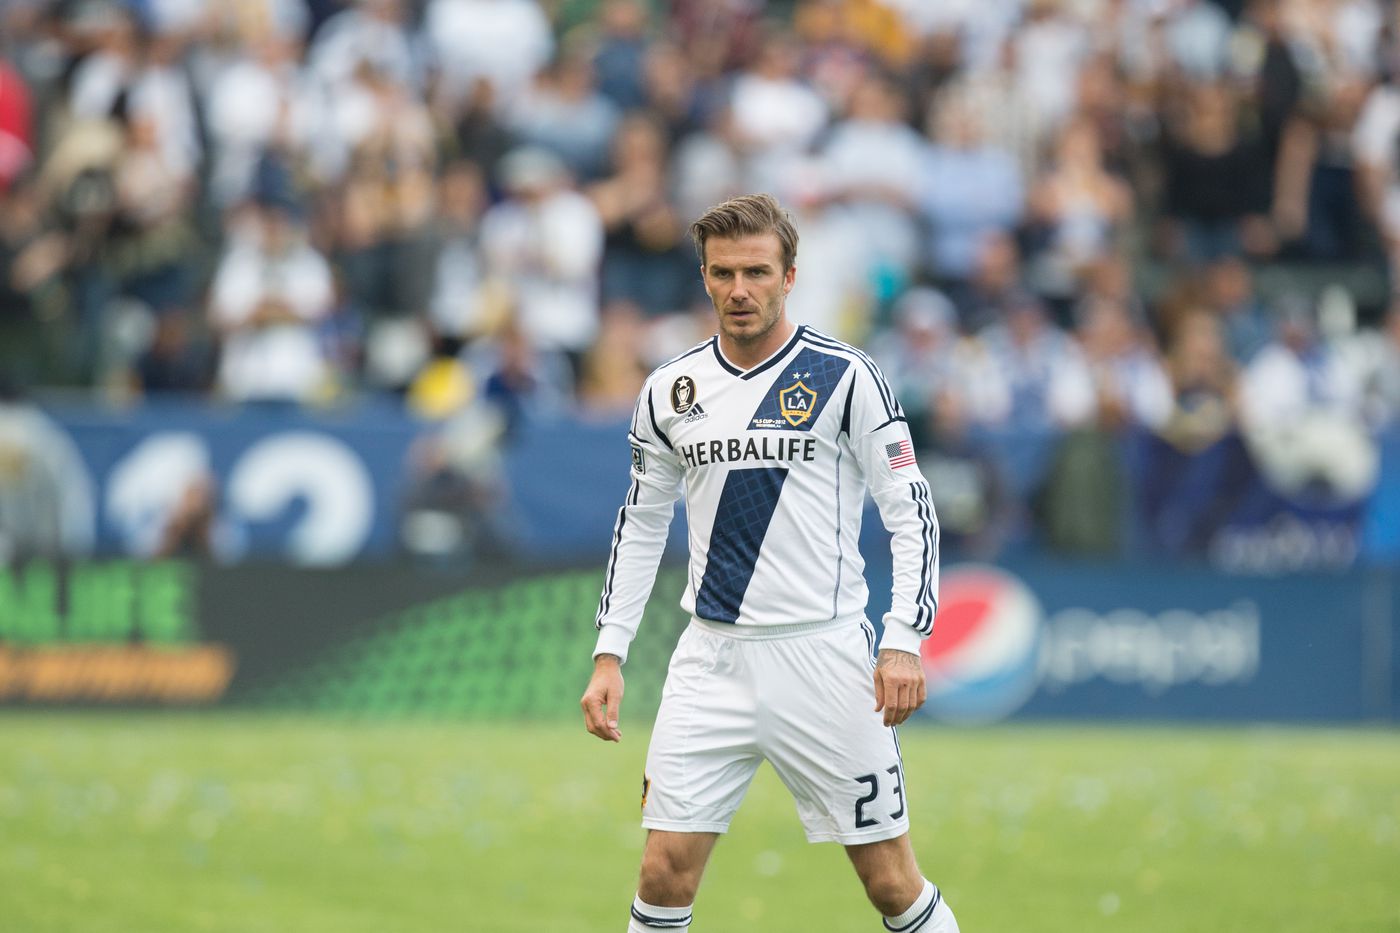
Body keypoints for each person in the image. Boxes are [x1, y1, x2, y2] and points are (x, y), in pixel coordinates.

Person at [580, 194, 959, 933]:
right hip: (711, 659)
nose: (739, 289)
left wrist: (904, 637)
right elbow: (641, 523)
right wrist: (609, 652)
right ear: (705, 276)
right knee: (662, 871)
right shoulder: (670, 389)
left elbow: (910, 509)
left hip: (823, 654)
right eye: (723, 273)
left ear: (790, 276)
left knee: (890, 881)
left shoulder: (845, 377)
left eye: (757, 271)